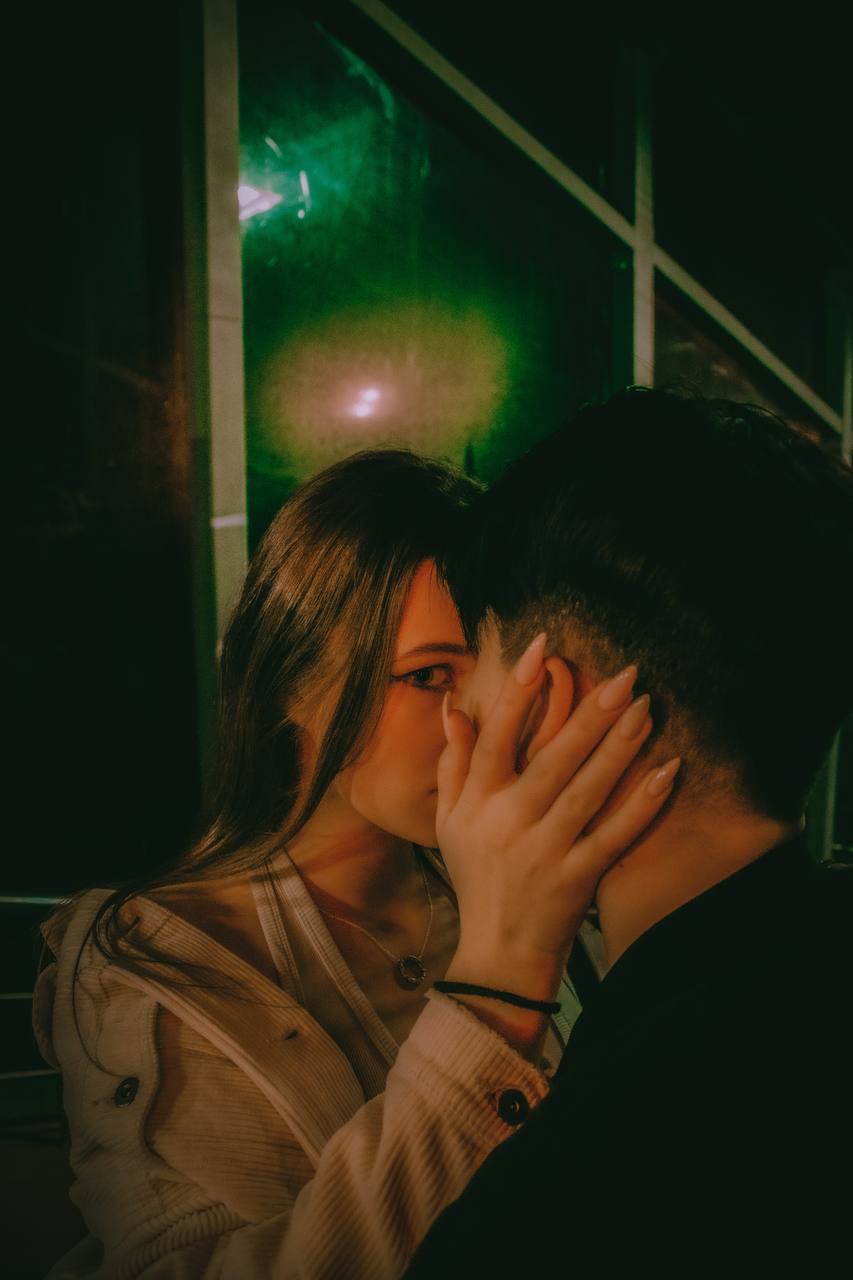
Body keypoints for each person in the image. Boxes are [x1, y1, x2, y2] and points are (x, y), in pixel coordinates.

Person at [34, 449, 672, 1279]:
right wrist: (500, 984)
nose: (480, 722)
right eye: (428, 675)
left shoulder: (532, 893)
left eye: (501, 674)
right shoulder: (160, 967)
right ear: (289, 682)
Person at [407, 388, 853, 1278]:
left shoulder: (588, 1182)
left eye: (466, 669)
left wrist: (496, 959)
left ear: (548, 704)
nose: (452, 717)